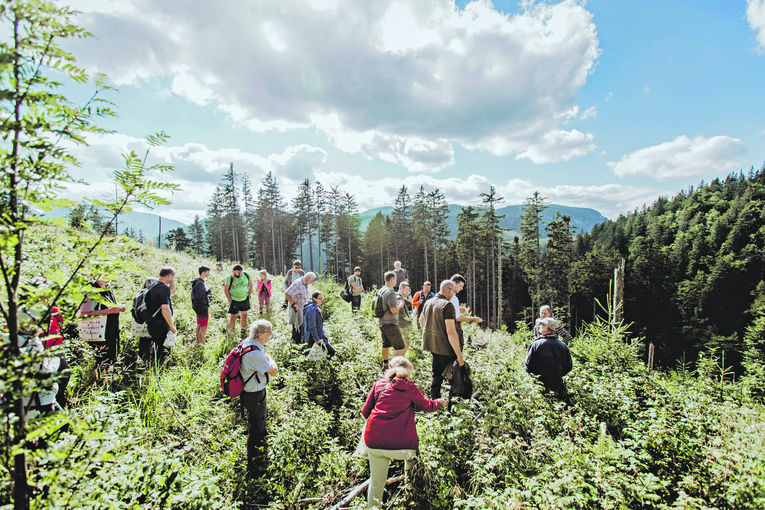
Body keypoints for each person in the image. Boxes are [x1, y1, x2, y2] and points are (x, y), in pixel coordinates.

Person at [361, 356, 443, 509]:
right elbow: (427, 406)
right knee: (412, 464)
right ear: (408, 372)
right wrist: (440, 403)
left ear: (390, 368)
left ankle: (373, 507)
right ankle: (410, 496)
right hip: (403, 447)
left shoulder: (378, 385)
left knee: (376, 483)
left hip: (374, 443)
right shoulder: (409, 387)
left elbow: (365, 412)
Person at [239, 319, 279, 475]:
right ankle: (255, 458)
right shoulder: (255, 353)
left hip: (250, 391)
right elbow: (273, 371)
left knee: (255, 420)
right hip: (254, 393)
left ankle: (256, 450)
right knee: (257, 424)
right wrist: (270, 360)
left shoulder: (248, 342)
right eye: (269, 332)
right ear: (260, 335)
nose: (271, 335)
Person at [419, 280, 465, 399]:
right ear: (449, 290)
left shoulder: (429, 302)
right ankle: (451, 408)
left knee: (436, 376)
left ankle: (435, 403)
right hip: (446, 348)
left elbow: (421, 320)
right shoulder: (447, 305)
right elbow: (451, 332)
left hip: (433, 346)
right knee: (454, 379)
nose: (454, 294)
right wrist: (459, 356)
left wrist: (430, 334)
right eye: (454, 291)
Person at [78, 277, 126, 363]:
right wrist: (109, 311)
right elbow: (83, 313)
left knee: (112, 360)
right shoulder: (92, 290)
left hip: (112, 334)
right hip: (99, 336)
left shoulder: (108, 289)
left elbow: (110, 306)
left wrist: (120, 307)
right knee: (102, 362)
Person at [525, 317, 573, 400]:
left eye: (541, 325)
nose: (539, 326)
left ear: (546, 328)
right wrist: (558, 375)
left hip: (539, 385)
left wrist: (537, 377)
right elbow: (568, 366)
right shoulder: (563, 346)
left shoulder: (536, 345)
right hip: (558, 384)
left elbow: (528, 365)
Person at [143, 267, 176, 365]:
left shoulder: (153, 285)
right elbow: (165, 309)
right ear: (169, 275)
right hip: (161, 323)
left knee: (155, 346)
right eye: (172, 277)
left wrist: (172, 280)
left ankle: (153, 365)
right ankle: (160, 369)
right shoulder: (164, 288)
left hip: (152, 321)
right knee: (162, 348)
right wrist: (171, 326)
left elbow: (173, 291)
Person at [377, 271, 405, 372]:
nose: (396, 281)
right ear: (392, 279)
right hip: (390, 323)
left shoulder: (381, 291)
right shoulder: (390, 292)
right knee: (400, 346)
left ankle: (385, 365)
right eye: (395, 279)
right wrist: (400, 305)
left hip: (382, 322)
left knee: (386, 344)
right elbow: (393, 309)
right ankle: (393, 369)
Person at [449, 274, 483, 346]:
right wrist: (473, 319)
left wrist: (457, 309)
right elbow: (458, 318)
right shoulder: (453, 298)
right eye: (460, 286)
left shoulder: (442, 295)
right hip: (453, 332)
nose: (461, 288)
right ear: (454, 283)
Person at [285, 271, 317, 344]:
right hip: (296, 309)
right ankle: (295, 346)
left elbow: (301, 295)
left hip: (303, 308)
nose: (312, 282)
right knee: (297, 328)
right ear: (308, 278)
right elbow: (287, 293)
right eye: (312, 280)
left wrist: (307, 300)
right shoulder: (298, 283)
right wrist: (294, 304)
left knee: (302, 327)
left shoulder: (305, 284)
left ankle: (300, 345)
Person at [301, 291, 336, 356]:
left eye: (322, 298)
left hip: (312, 336)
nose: (322, 300)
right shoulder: (313, 309)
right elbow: (312, 326)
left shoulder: (310, 307)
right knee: (332, 352)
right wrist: (317, 339)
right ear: (314, 298)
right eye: (320, 298)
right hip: (315, 338)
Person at [224, 264, 253, 336]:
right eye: (233, 272)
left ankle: (243, 331)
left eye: (236, 273)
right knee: (233, 317)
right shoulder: (229, 278)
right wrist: (230, 300)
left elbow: (251, 285)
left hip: (244, 299)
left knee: (244, 315)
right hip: (234, 299)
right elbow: (226, 290)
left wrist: (248, 295)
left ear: (240, 272)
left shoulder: (247, 275)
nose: (234, 274)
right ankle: (232, 333)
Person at [133, 277, 157, 362]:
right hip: (152, 321)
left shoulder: (139, 295)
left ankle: (142, 360)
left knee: (143, 342)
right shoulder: (151, 294)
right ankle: (151, 363)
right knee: (153, 343)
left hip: (140, 322)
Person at [191, 266, 211, 343]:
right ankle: (201, 342)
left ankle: (198, 341)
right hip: (201, 306)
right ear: (203, 273)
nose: (209, 274)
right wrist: (209, 291)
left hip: (198, 306)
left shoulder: (197, 282)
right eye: (207, 272)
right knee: (204, 325)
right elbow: (200, 296)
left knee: (199, 324)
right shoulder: (200, 283)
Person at [397, 281, 414, 354]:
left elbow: (410, 309)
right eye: (407, 289)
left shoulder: (401, 297)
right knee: (407, 343)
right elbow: (403, 314)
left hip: (401, 325)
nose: (408, 291)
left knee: (403, 344)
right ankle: (399, 359)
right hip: (402, 325)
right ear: (401, 288)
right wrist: (410, 320)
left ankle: (398, 359)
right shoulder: (398, 297)